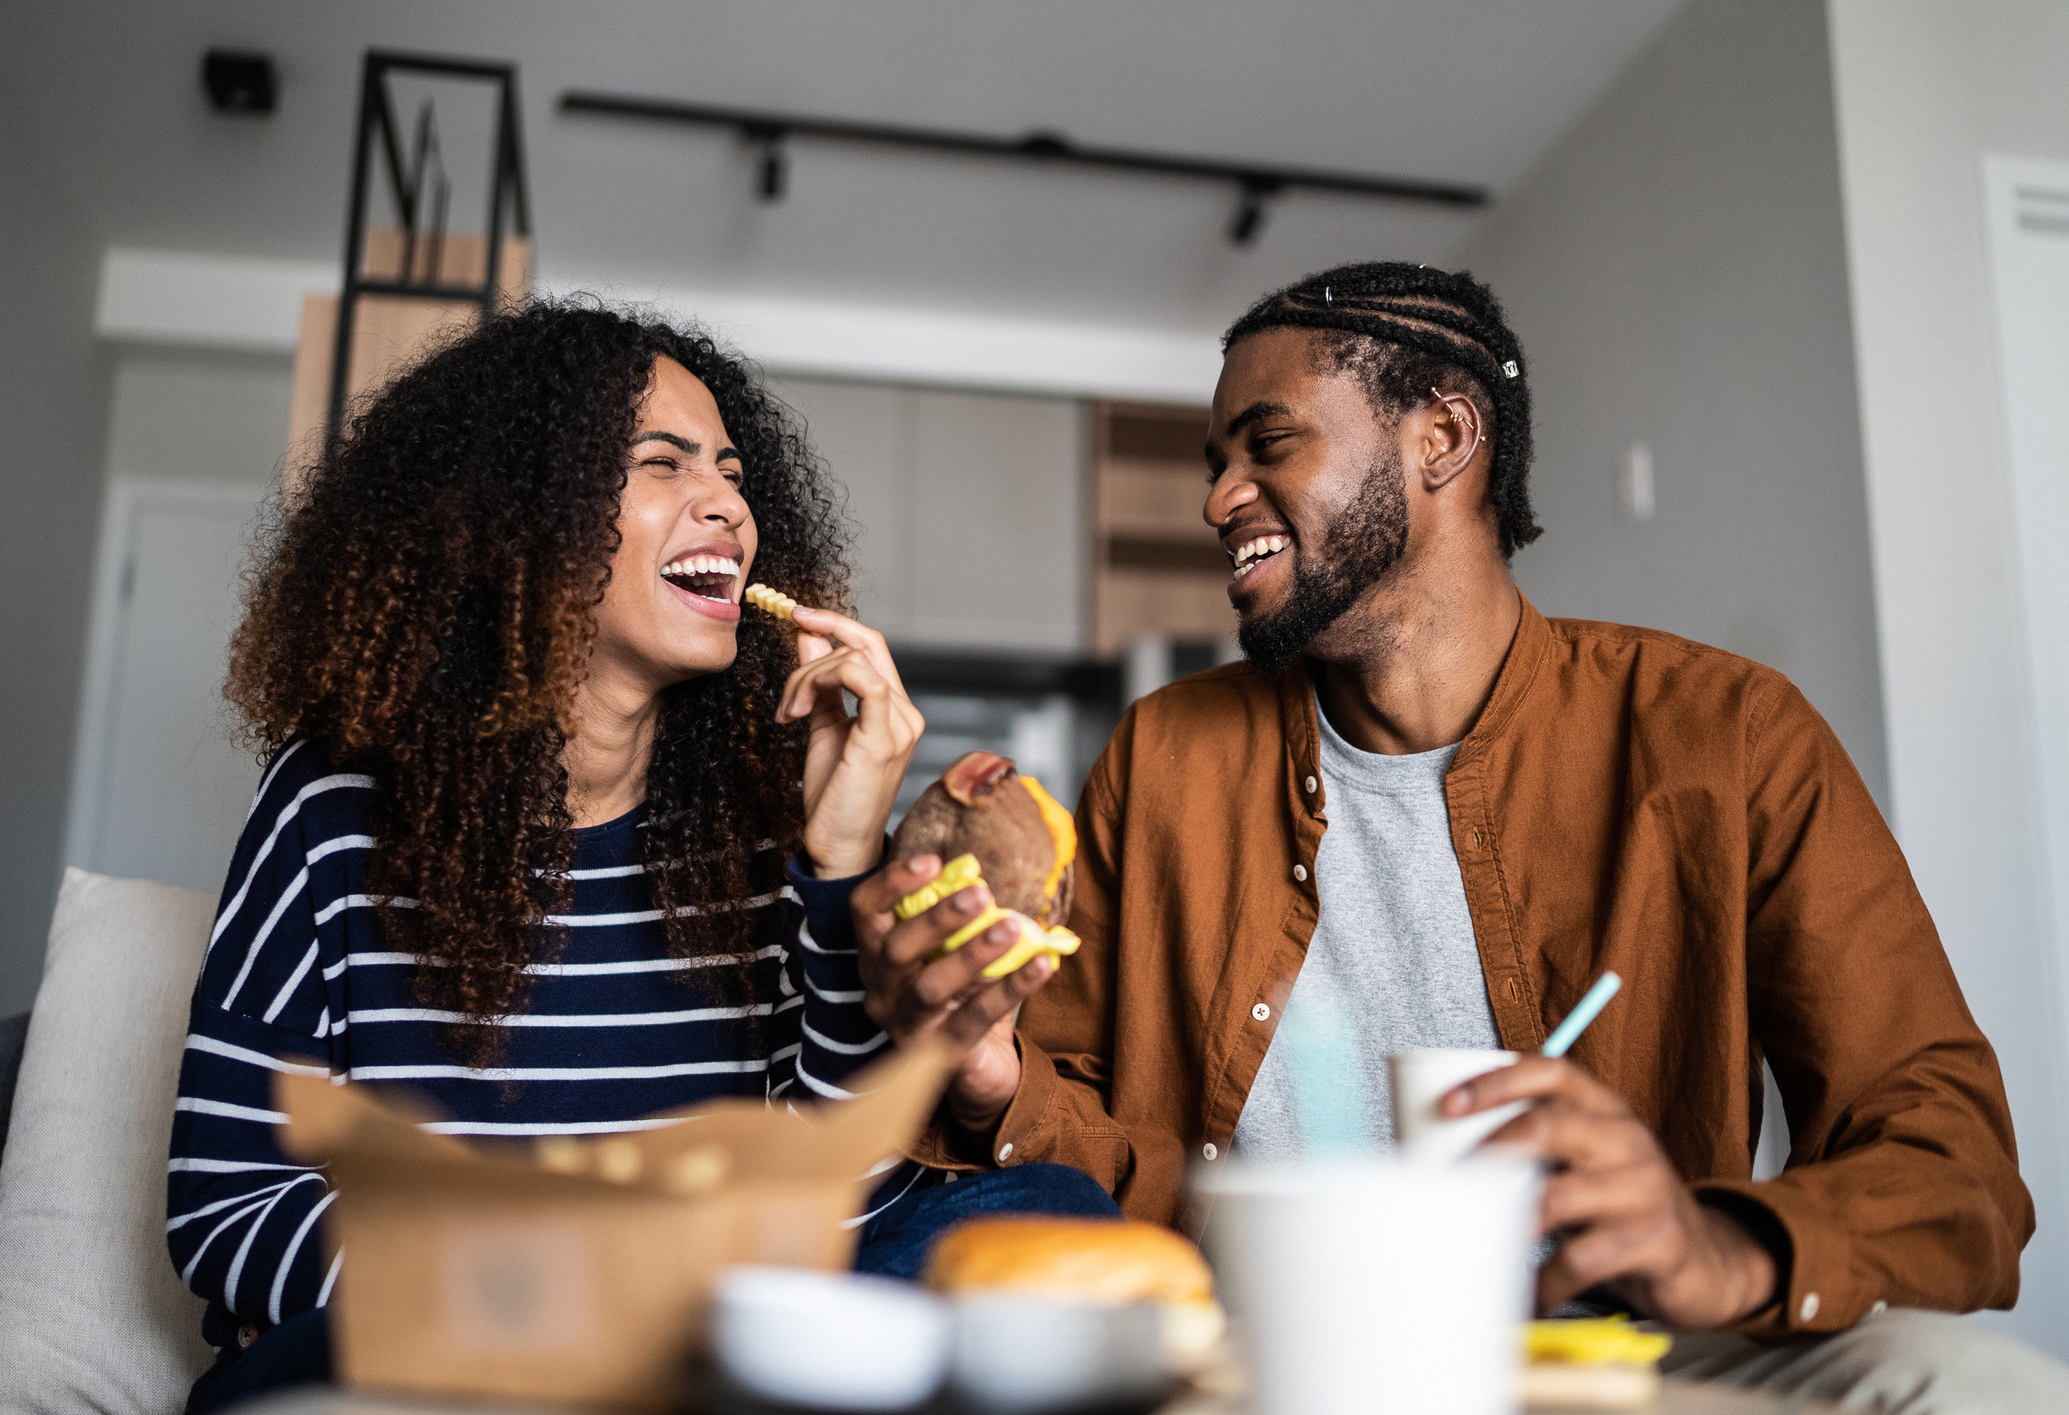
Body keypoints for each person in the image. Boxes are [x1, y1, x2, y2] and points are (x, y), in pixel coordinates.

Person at [854, 263, 2069, 1406]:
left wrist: (1723, 1245)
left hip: (1609, 1338)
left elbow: (1949, 1155)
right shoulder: (1165, 752)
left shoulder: (1728, 734)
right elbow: (1078, 1151)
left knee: (1978, 1384)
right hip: (1251, 1331)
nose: (1218, 499)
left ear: (1442, 437)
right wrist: (990, 1065)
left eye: (1266, 445)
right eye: (1214, 461)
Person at [167, 304, 1112, 1415]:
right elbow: (227, 1203)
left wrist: (842, 855)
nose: (728, 504)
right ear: (525, 521)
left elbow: (838, 1216)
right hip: (450, 1342)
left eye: (731, 470)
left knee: (1043, 1210)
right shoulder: (336, 808)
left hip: (702, 1344)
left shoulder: (763, 824)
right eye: (662, 463)